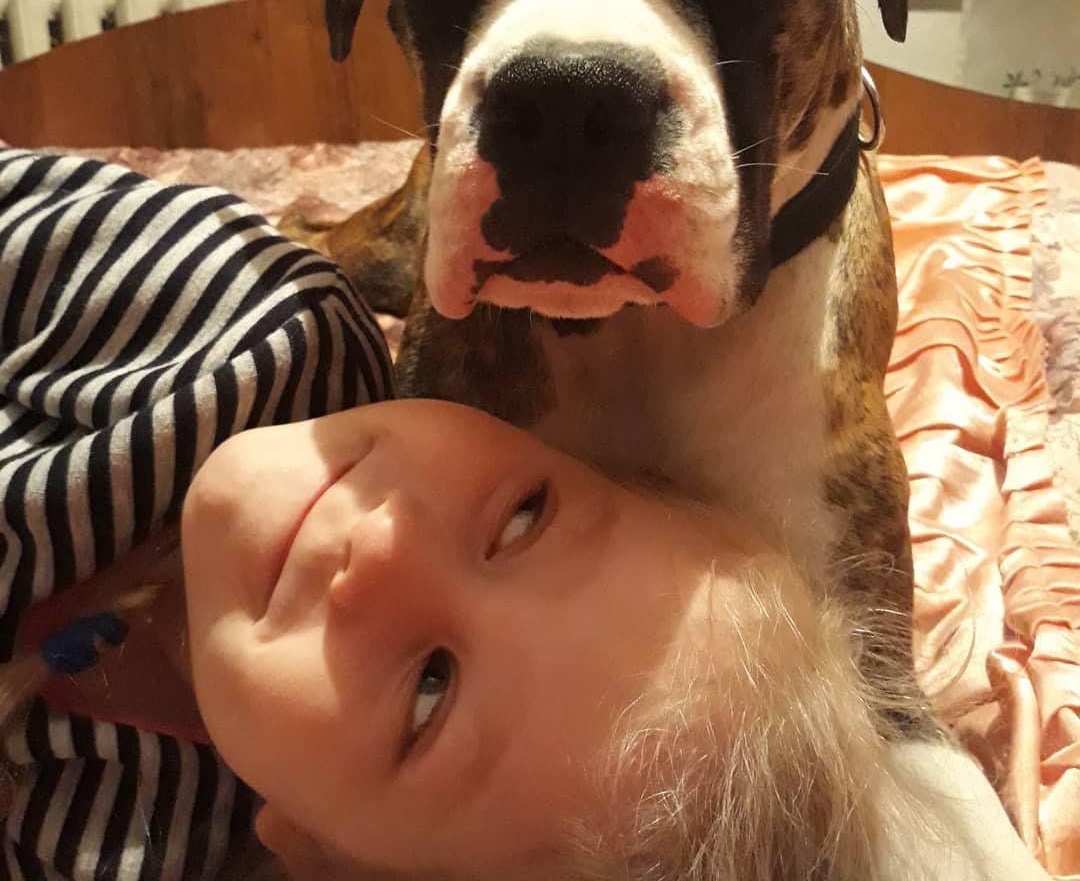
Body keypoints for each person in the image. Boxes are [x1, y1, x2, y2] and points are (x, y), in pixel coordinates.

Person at [0, 150, 1053, 880]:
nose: (384, 549)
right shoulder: (238, 327)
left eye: (428, 694)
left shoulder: (125, 837)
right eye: (520, 518)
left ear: (309, 851)